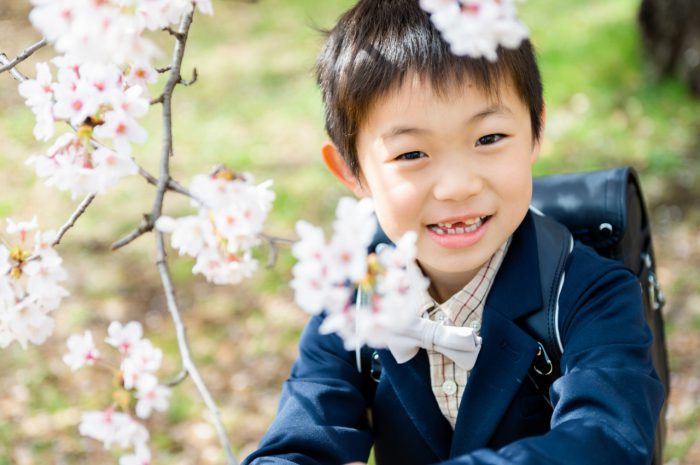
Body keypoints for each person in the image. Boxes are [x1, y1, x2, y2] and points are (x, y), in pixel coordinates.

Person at [242, 0, 665, 463]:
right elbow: (298, 442)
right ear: (351, 172)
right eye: (411, 154)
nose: (458, 186)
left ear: (536, 127)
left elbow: (606, 440)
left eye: (488, 139)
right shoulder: (353, 303)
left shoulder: (589, 294)